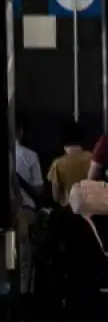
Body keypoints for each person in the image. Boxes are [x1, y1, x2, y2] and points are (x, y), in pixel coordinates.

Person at [14, 115, 44, 294]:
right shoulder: (30, 156)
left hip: (7, 214)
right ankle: (24, 299)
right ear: (21, 131)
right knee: (25, 261)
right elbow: (39, 191)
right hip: (26, 213)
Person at [47, 121, 92, 206]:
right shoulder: (92, 159)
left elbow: (55, 197)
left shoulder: (57, 164)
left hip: (67, 211)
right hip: (89, 210)